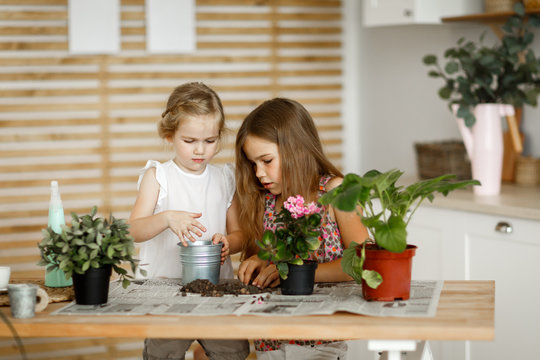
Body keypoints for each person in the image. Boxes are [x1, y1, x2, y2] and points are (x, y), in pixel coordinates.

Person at [234, 98, 369, 359]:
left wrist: (296, 273)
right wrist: (258, 261)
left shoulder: (336, 191)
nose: (259, 173)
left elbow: (362, 263)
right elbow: (267, 257)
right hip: (269, 342)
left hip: (321, 340)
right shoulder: (265, 200)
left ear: (297, 150)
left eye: (266, 160)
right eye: (253, 164)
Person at [129, 82, 249, 360]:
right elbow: (133, 229)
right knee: (164, 355)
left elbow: (241, 234)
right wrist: (166, 218)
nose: (200, 150)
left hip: (217, 291)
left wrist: (228, 242)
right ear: (170, 135)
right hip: (167, 294)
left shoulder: (224, 178)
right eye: (190, 141)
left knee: (231, 353)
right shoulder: (158, 177)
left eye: (210, 141)